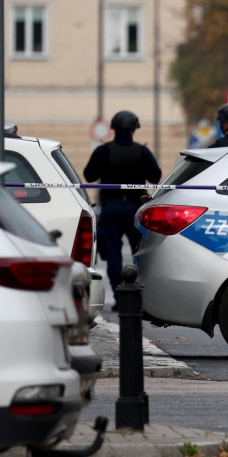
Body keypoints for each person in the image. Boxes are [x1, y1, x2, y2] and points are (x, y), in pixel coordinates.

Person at [83, 110, 162, 309]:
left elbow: (89, 175)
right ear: (134, 130)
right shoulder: (141, 152)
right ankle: (138, 298)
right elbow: (155, 176)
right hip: (135, 210)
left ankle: (120, 299)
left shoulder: (103, 151)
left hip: (110, 208)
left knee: (113, 255)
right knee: (140, 253)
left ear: (114, 129)